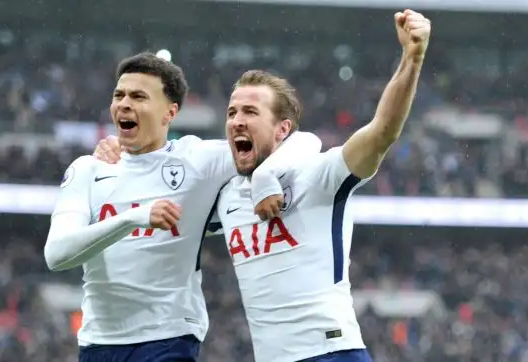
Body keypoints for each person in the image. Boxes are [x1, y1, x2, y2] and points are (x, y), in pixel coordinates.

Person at [94, 8, 431, 362]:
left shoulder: (316, 177)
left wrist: (412, 57)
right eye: (232, 112)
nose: (237, 121)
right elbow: (156, 199)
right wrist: (125, 150)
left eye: (251, 113)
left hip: (331, 353)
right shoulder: (225, 198)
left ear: (282, 130)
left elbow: (381, 132)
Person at [44, 52, 320, 362]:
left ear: (169, 112)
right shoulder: (88, 169)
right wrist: (135, 218)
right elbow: (57, 255)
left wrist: (267, 177)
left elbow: (305, 142)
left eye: (138, 96)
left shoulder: (199, 161)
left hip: (168, 338)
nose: (124, 103)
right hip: (97, 343)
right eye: (118, 95)